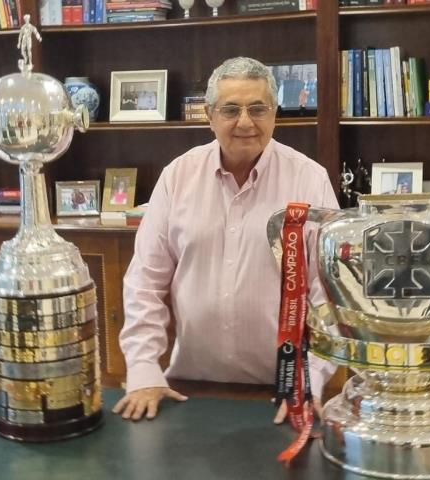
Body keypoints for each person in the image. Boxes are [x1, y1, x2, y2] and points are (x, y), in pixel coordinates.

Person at [113, 56, 339, 422]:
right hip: (190, 388)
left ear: (275, 112)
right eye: (231, 109)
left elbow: (326, 291)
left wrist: (310, 379)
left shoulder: (309, 179)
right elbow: (145, 283)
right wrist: (142, 369)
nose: (245, 122)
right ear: (209, 114)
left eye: (258, 109)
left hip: (282, 391)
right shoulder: (177, 176)